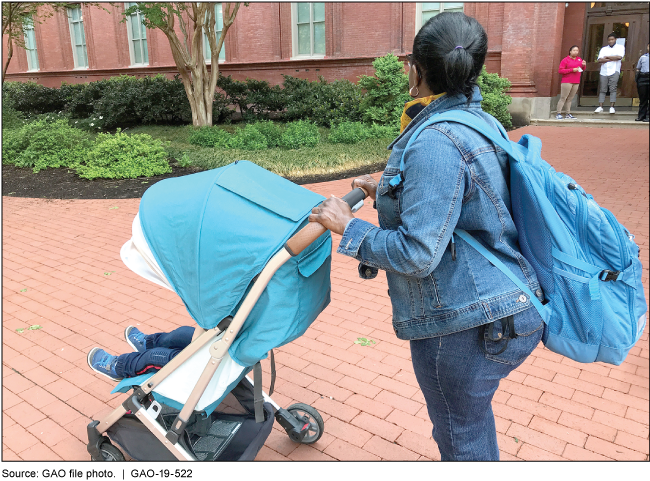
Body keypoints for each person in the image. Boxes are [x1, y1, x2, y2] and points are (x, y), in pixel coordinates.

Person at [309, 12, 544, 461]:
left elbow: (417, 254)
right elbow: (467, 201)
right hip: (505, 306)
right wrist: (392, 192)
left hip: (469, 324)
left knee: (461, 436)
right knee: (470, 423)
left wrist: (347, 225)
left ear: (415, 70)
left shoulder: (436, 140)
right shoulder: (481, 122)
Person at [87, 325, 194, 380]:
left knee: (156, 357)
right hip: (208, 349)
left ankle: (118, 367)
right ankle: (148, 343)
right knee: (181, 334)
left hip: (202, 368)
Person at [595, 33, 625, 114]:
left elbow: (619, 57)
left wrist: (607, 57)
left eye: (612, 39)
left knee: (613, 88)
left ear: (615, 40)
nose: (610, 41)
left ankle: (612, 107)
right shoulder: (604, 49)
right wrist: (612, 58)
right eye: (609, 40)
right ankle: (600, 106)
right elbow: (600, 60)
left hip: (614, 70)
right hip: (604, 71)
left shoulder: (620, 47)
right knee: (602, 89)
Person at [556, 45, 586, 119]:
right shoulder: (565, 60)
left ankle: (568, 113)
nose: (576, 52)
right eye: (574, 50)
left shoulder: (579, 59)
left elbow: (581, 69)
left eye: (577, 51)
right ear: (570, 51)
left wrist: (584, 65)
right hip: (567, 81)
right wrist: (572, 70)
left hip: (576, 81)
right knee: (563, 97)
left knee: (570, 98)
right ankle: (558, 113)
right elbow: (560, 70)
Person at [635, 42, 649, 122]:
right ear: (647, 47)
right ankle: (641, 116)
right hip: (643, 78)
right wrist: (637, 78)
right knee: (643, 98)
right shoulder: (643, 57)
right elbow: (638, 68)